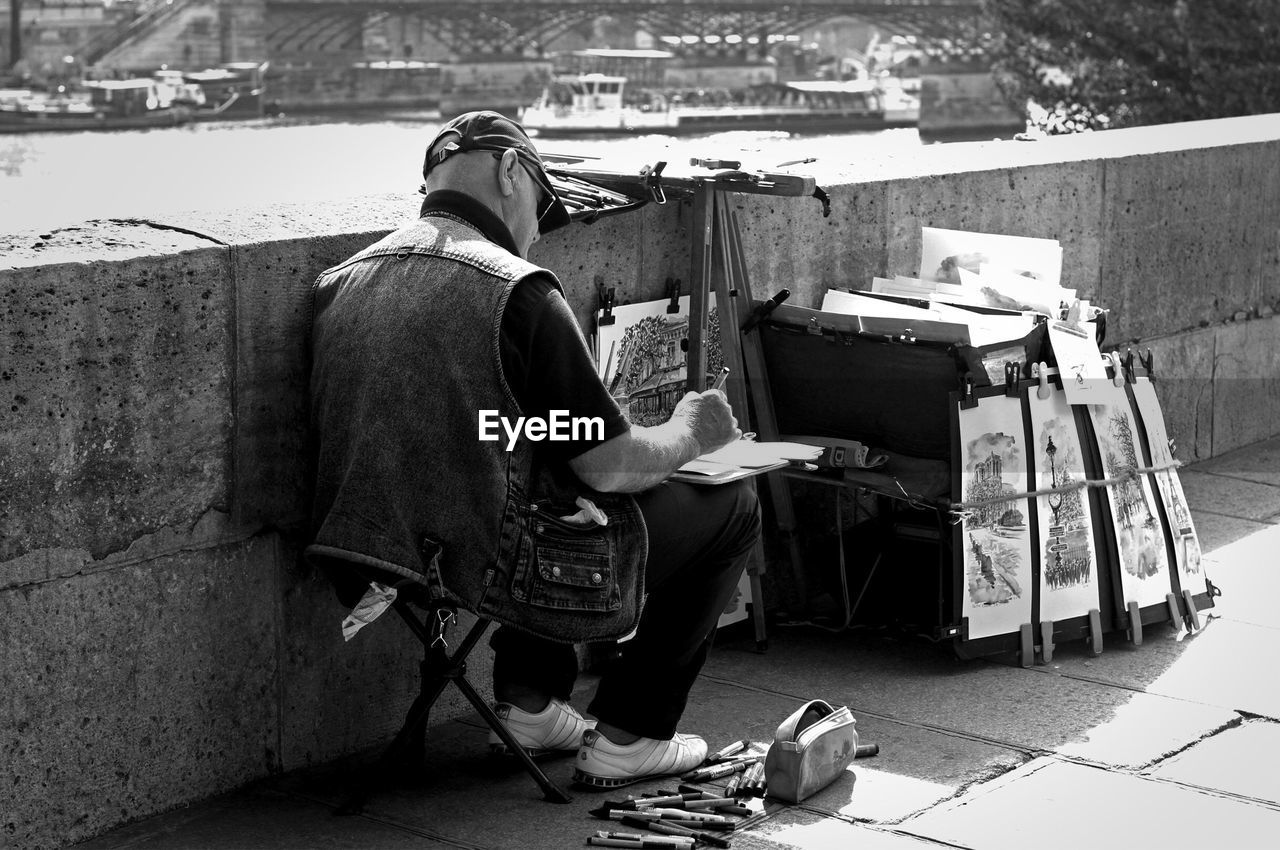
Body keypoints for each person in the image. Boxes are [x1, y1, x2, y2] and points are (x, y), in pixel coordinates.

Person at [306, 111, 762, 789]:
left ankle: (533, 707)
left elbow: (479, 432)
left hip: (367, 567)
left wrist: (557, 435)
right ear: (511, 172)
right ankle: (630, 736)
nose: (538, 231)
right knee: (733, 505)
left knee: (552, 479)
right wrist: (691, 429)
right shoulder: (517, 291)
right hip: (486, 566)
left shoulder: (340, 282)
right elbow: (610, 462)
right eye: (543, 210)